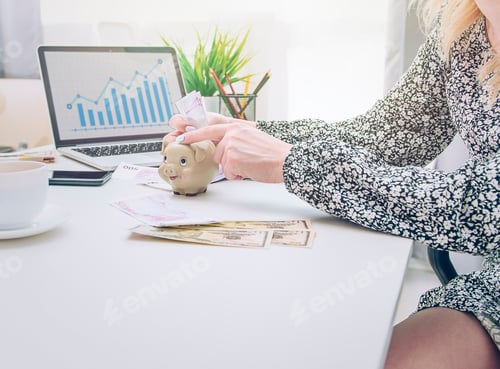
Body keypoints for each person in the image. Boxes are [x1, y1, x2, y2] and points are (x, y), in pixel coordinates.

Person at [164, 0, 499, 367]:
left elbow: (481, 205)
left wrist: (292, 161)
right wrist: (253, 135)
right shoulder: (463, 25)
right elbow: (389, 136)